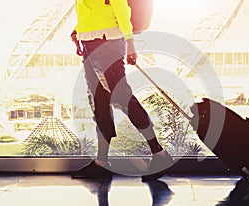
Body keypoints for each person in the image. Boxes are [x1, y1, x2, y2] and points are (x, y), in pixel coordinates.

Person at [70, 0, 174, 181]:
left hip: (107, 43)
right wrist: (78, 30)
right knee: (99, 102)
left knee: (123, 98)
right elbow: (92, 9)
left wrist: (130, 44)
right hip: (89, 42)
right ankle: (101, 162)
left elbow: (121, 9)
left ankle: (160, 154)